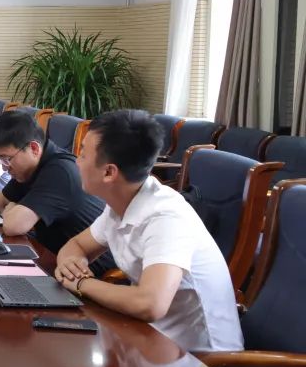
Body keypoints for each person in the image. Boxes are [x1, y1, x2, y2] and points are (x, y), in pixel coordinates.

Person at [55, 109, 243, 353]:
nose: (76, 162)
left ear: (109, 172)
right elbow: (76, 246)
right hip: (150, 340)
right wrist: (71, 265)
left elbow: (150, 304)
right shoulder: (123, 200)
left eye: (82, 155)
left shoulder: (166, 218)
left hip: (200, 361)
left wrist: (81, 283)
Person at [0, 110, 105, 252]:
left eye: (7, 159)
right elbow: (0, 199)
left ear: (34, 148)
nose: (4, 167)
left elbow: (13, 226)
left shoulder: (60, 171)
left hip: (88, 270)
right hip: (54, 253)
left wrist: (10, 206)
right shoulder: (31, 166)